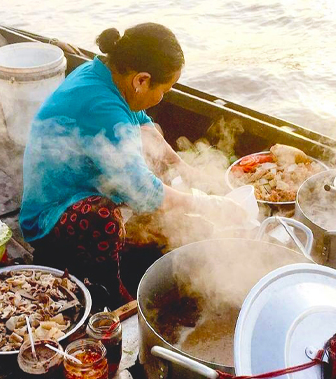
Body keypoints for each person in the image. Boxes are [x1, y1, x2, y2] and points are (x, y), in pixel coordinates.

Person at [20, 23, 245, 307]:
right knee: (104, 218)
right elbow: (142, 191)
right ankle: (112, 291)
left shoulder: (106, 76)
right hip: (51, 215)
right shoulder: (102, 106)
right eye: (166, 88)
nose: (165, 96)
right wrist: (208, 206)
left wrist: (184, 169)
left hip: (83, 179)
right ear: (141, 80)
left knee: (153, 149)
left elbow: (145, 127)